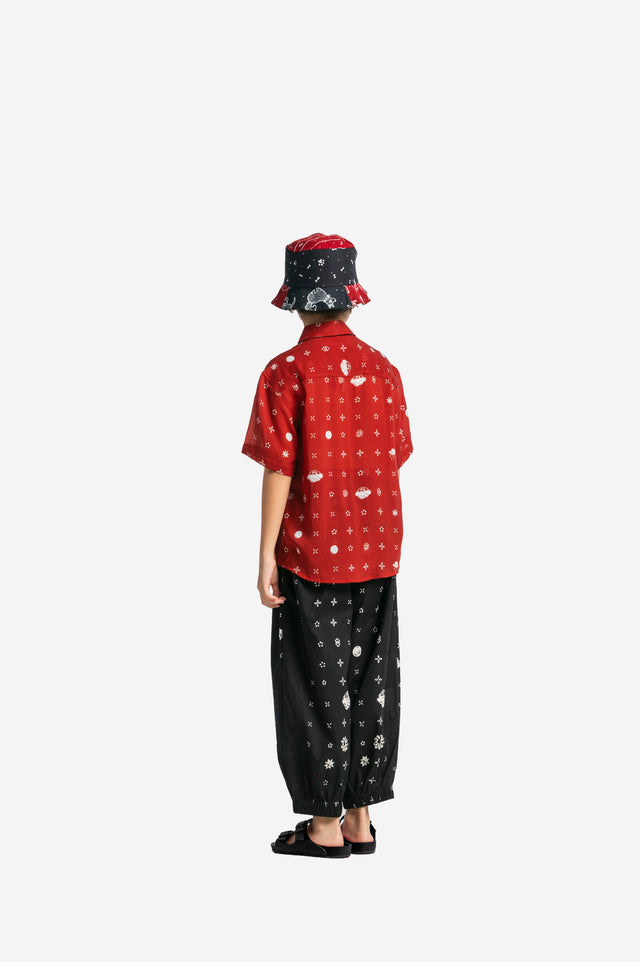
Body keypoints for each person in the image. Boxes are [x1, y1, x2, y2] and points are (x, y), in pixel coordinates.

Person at [241, 232, 413, 858]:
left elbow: (278, 466)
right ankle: (360, 818)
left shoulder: (286, 371)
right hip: (377, 549)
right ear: (350, 295)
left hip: (310, 552)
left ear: (296, 299)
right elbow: (396, 456)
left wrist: (265, 553)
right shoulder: (383, 369)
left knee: (313, 684)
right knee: (372, 679)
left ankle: (322, 825)